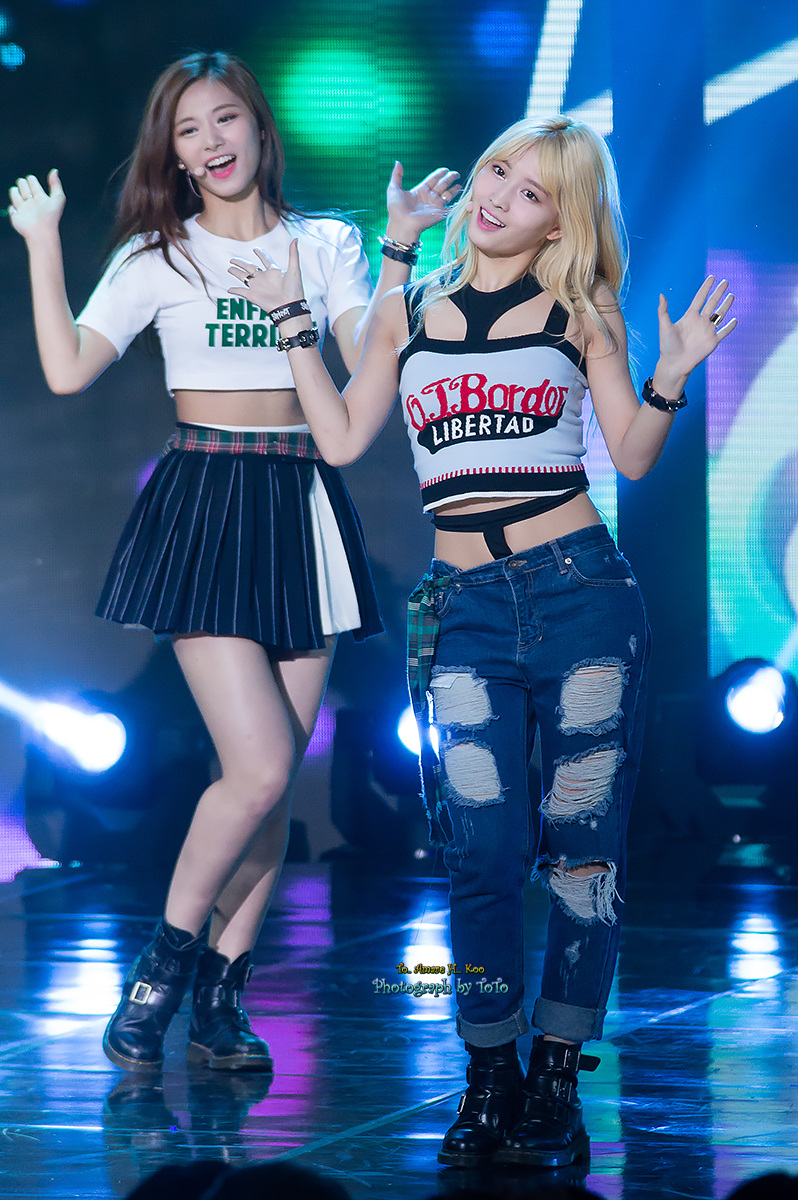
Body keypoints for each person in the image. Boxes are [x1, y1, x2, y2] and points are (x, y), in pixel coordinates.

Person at [224, 115, 736, 1163]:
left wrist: (674, 372)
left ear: (562, 219)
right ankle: (489, 1074)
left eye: (533, 191)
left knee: (583, 854)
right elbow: (341, 437)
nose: (501, 196)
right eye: (499, 170)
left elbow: (633, 455)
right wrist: (295, 321)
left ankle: (557, 1074)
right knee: (480, 852)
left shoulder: (583, 306)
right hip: (460, 605)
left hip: (582, 594)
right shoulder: (407, 307)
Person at [8, 50, 458, 1073]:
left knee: (269, 779)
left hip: (300, 498)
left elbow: (369, 349)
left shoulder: (325, 241)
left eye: (224, 119)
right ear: (172, 153)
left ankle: (222, 995)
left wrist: (398, 249)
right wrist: (41, 244)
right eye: (188, 129)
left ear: (258, 125)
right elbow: (67, 370)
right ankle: (161, 969)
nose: (210, 142)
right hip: (206, 500)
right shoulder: (158, 254)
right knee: (254, 768)